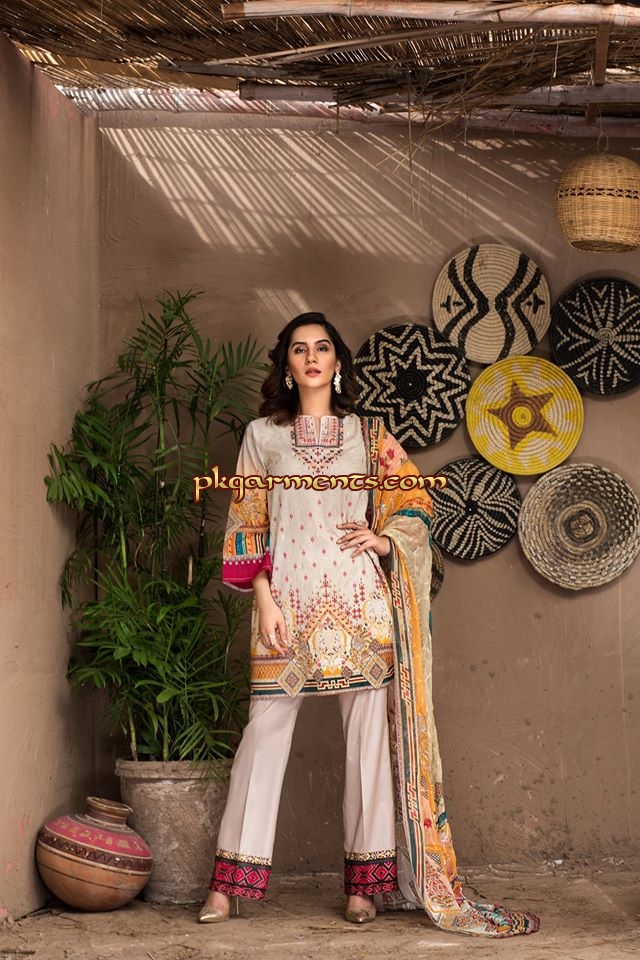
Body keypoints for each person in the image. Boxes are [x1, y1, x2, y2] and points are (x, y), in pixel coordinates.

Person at [199, 312, 540, 937]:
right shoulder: (261, 437)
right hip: (286, 607)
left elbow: (415, 501)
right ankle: (227, 887)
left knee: (367, 743)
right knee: (262, 735)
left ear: (337, 362)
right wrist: (265, 601)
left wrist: (385, 541)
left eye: (322, 348)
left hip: (360, 604)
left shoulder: (370, 434)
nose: (311, 358)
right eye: (299, 349)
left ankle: (365, 886)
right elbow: (247, 522)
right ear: (286, 364)